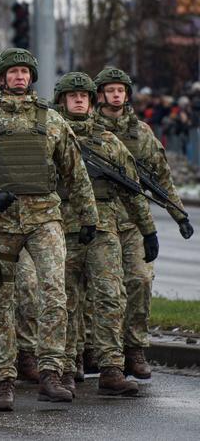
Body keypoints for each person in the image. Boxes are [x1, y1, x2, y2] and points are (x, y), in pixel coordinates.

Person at [0, 48, 98, 411]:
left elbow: (75, 173)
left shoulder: (51, 120)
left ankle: (51, 371)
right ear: (1, 77)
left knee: (53, 294)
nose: (19, 77)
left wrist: (89, 216)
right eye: (13, 72)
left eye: (24, 72)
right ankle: (4, 380)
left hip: (45, 217)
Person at [53, 71, 157, 396]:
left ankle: (111, 368)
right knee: (65, 301)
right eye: (73, 96)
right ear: (63, 101)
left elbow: (131, 189)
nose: (80, 100)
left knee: (110, 297)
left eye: (84, 95)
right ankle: (66, 368)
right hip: (63, 228)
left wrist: (147, 229)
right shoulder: (52, 137)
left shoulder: (108, 141)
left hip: (104, 229)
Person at [92, 66, 193, 379]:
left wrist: (179, 215)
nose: (116, 95)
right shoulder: (86, 130)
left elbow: (161, 179)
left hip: (135, 220)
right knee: (104, 290)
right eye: (110, 90)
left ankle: (134, 349)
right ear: (100, 95)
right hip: (99, 218)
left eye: (121, 90)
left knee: (140, 280)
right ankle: (98, 352)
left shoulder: (141, 133)